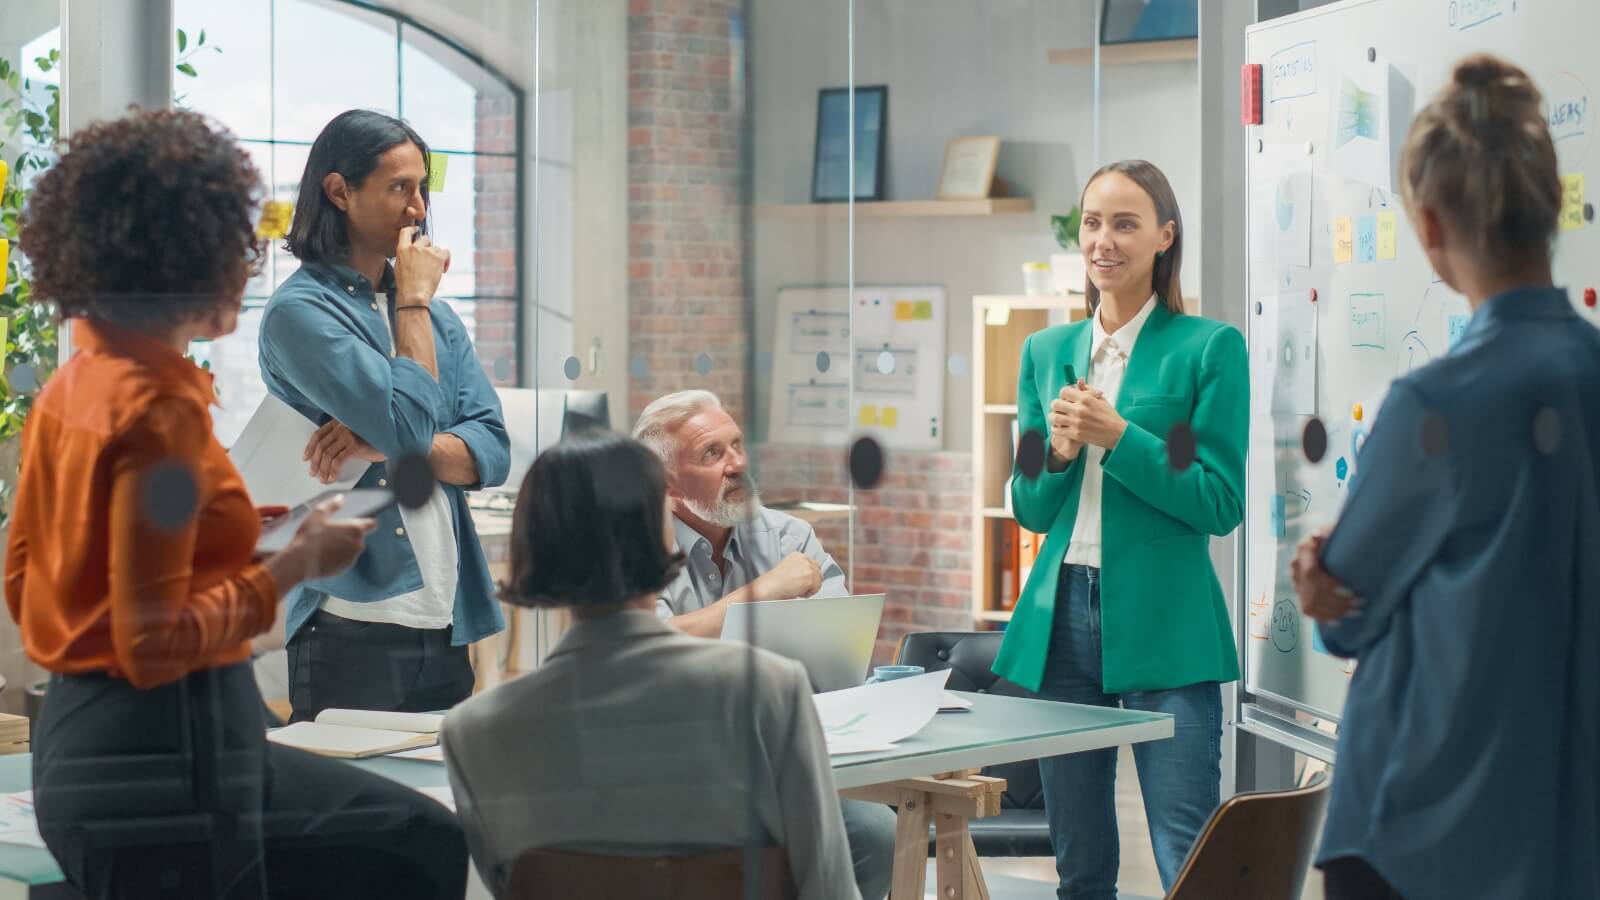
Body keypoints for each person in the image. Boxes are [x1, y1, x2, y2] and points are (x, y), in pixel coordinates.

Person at [7, 109, 467, 899]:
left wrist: (245, 542)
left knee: (414, 838)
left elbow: (32, 581)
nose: (251, 261)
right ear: (180, 252)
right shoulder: (152, 409)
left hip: (102, 743)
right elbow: (152, 642)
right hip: (162, 761)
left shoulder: (74, 386)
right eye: (235, 239)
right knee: (416, 843)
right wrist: (293, 564)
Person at [1293, 55, 1600, 900]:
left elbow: (1345, 605)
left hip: (1424, 831)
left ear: (1428, 227)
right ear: (1549, 212)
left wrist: (1318, 585)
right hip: (1569, 832)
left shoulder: (1440, 400)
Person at [441, 432, 860, 900]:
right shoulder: (767, 689)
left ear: (530, 545)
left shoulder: (472, 732)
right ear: (660, 537)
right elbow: (830, 889)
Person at [993, 160, 1248, 898]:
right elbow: (1031, 505)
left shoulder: (1207, 348)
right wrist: (1063, 455)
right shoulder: (1045, 355)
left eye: (1126, 223)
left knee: (1187, 852)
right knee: (1079, 859)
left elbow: (1217, 499)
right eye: (1093, 224)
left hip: (1168, 626)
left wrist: (1118, 436)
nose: (1105, 241)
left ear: (1165, 237)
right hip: (1061, 621)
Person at [259, 109, 509, 721]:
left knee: (441, 811)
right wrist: (416, 303)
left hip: (447, 616)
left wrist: (389, 443)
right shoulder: (300, 313)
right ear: (339, 191)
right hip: (350, 623)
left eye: (422, 188)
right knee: (349, 815)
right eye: (400, 188)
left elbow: (495, 450)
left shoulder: (438, 322)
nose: (419, 209)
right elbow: (409, 428)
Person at [631, 389, 896, 900]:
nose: (737, 465)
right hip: (677, 769)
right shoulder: (637, 548)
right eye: (713, 454)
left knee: (876, 832)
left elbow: (838, 645)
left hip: (782, 757)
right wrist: (766, 592)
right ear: (666, 483)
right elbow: (644, 647)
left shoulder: (789, 537)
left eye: (737, 446)